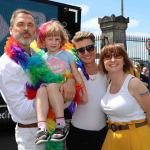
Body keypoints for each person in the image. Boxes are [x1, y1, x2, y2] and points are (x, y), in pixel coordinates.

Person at [0, 9, 75, 150]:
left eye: (30, 25)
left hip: (54, 130)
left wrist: (70, 80)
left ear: (35, 31)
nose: (26, 28)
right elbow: (22, 110)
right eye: (20, 24)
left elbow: (60, 76)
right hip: (32, 136)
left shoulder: (39, 57)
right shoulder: (5, 64)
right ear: (11, 30)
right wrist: (59, 99)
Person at [33, 21, 88, 145]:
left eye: (57, 39)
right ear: (43, 41)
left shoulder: (68, 55)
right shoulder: (42, 58)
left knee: (51, 86)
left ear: (62, 41)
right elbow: (40, 78)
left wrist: (83, 91)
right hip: (49, 94)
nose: (53, 42)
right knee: (41, 89)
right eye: (50, 39)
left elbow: (75, 73)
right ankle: (42, 127)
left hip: (63, 91)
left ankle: (61, 124)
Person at [99, 43, 150, 150]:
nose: (112, 60)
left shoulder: (133, 83)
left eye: (117, 56)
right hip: (113, 137)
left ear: (124, 60)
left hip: (136, 138)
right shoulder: (108, 83)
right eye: (108, 57)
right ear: (103, 62)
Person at [66, 31, 108, 150]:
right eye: (81, 50)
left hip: (103, 135)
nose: (86, 53)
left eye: (89, 48)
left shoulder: (107, 72)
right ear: (77, 53)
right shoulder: (73, 75)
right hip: (78, 137)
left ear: (95, 48)